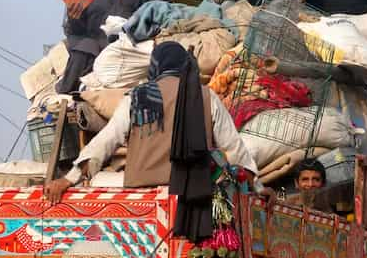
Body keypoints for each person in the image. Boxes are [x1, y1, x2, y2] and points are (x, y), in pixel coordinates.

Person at [46, 42, 259, 206]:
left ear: (155, 68)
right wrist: (257, 187)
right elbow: (234, 148)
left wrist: (68, 179)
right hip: (193, 203)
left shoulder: (137, 97)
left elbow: (107, 140)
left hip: (142, 202)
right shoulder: (206, 97)